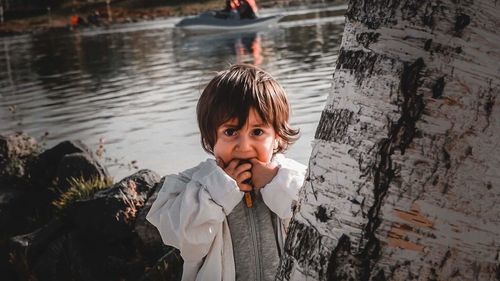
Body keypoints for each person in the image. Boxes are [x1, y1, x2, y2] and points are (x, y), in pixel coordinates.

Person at [146, 64, 306, 281]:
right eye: (230, 132)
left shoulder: (294, 176)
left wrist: (277, 182)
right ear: (210, 139)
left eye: (257, 132)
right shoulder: (194, 184)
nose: (244, 145)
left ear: (277, 137)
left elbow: (318, 224)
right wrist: (218, 190)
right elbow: (183, 238)